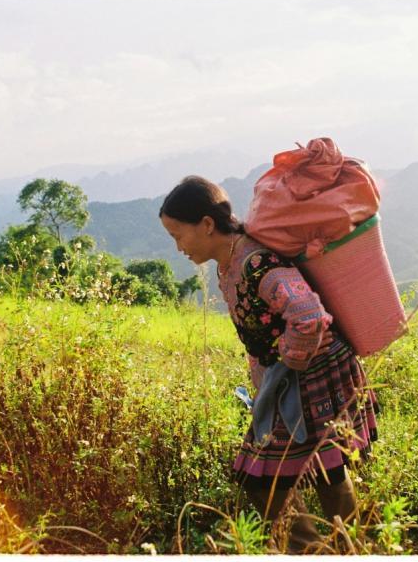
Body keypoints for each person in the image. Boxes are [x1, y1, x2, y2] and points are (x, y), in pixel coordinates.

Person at [159, 175, 379, 554]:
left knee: (266, 480)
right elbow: (262, 331)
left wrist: (286, 363)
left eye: (179, 235)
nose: (178, 247)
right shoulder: (228, 264)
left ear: (207, 225)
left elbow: (308, 315)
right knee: (325, 469)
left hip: (314, 377)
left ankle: (317, 551)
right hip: (299, 379)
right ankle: (348, 548)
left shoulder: (257, 264)